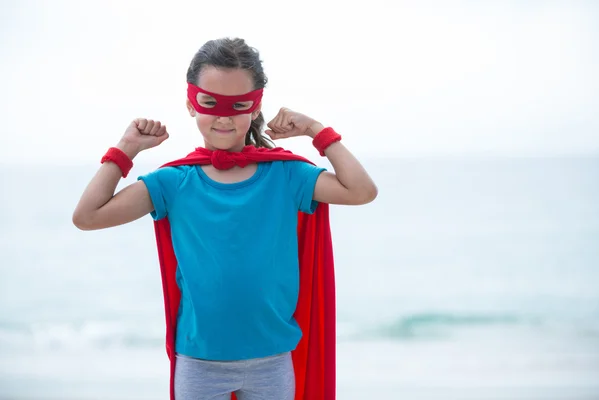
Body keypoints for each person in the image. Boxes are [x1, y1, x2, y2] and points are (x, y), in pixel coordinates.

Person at [72, 37, 377, 400]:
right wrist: (125, 149)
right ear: (190, 103)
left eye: (238, 105)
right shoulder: (173, 181)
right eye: (210, 102)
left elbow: (361, 191)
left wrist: (316, 130)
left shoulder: (286, 175)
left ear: (255, 107)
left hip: (272, 360)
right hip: (200, 363)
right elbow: (87, 216)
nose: (223, 116)